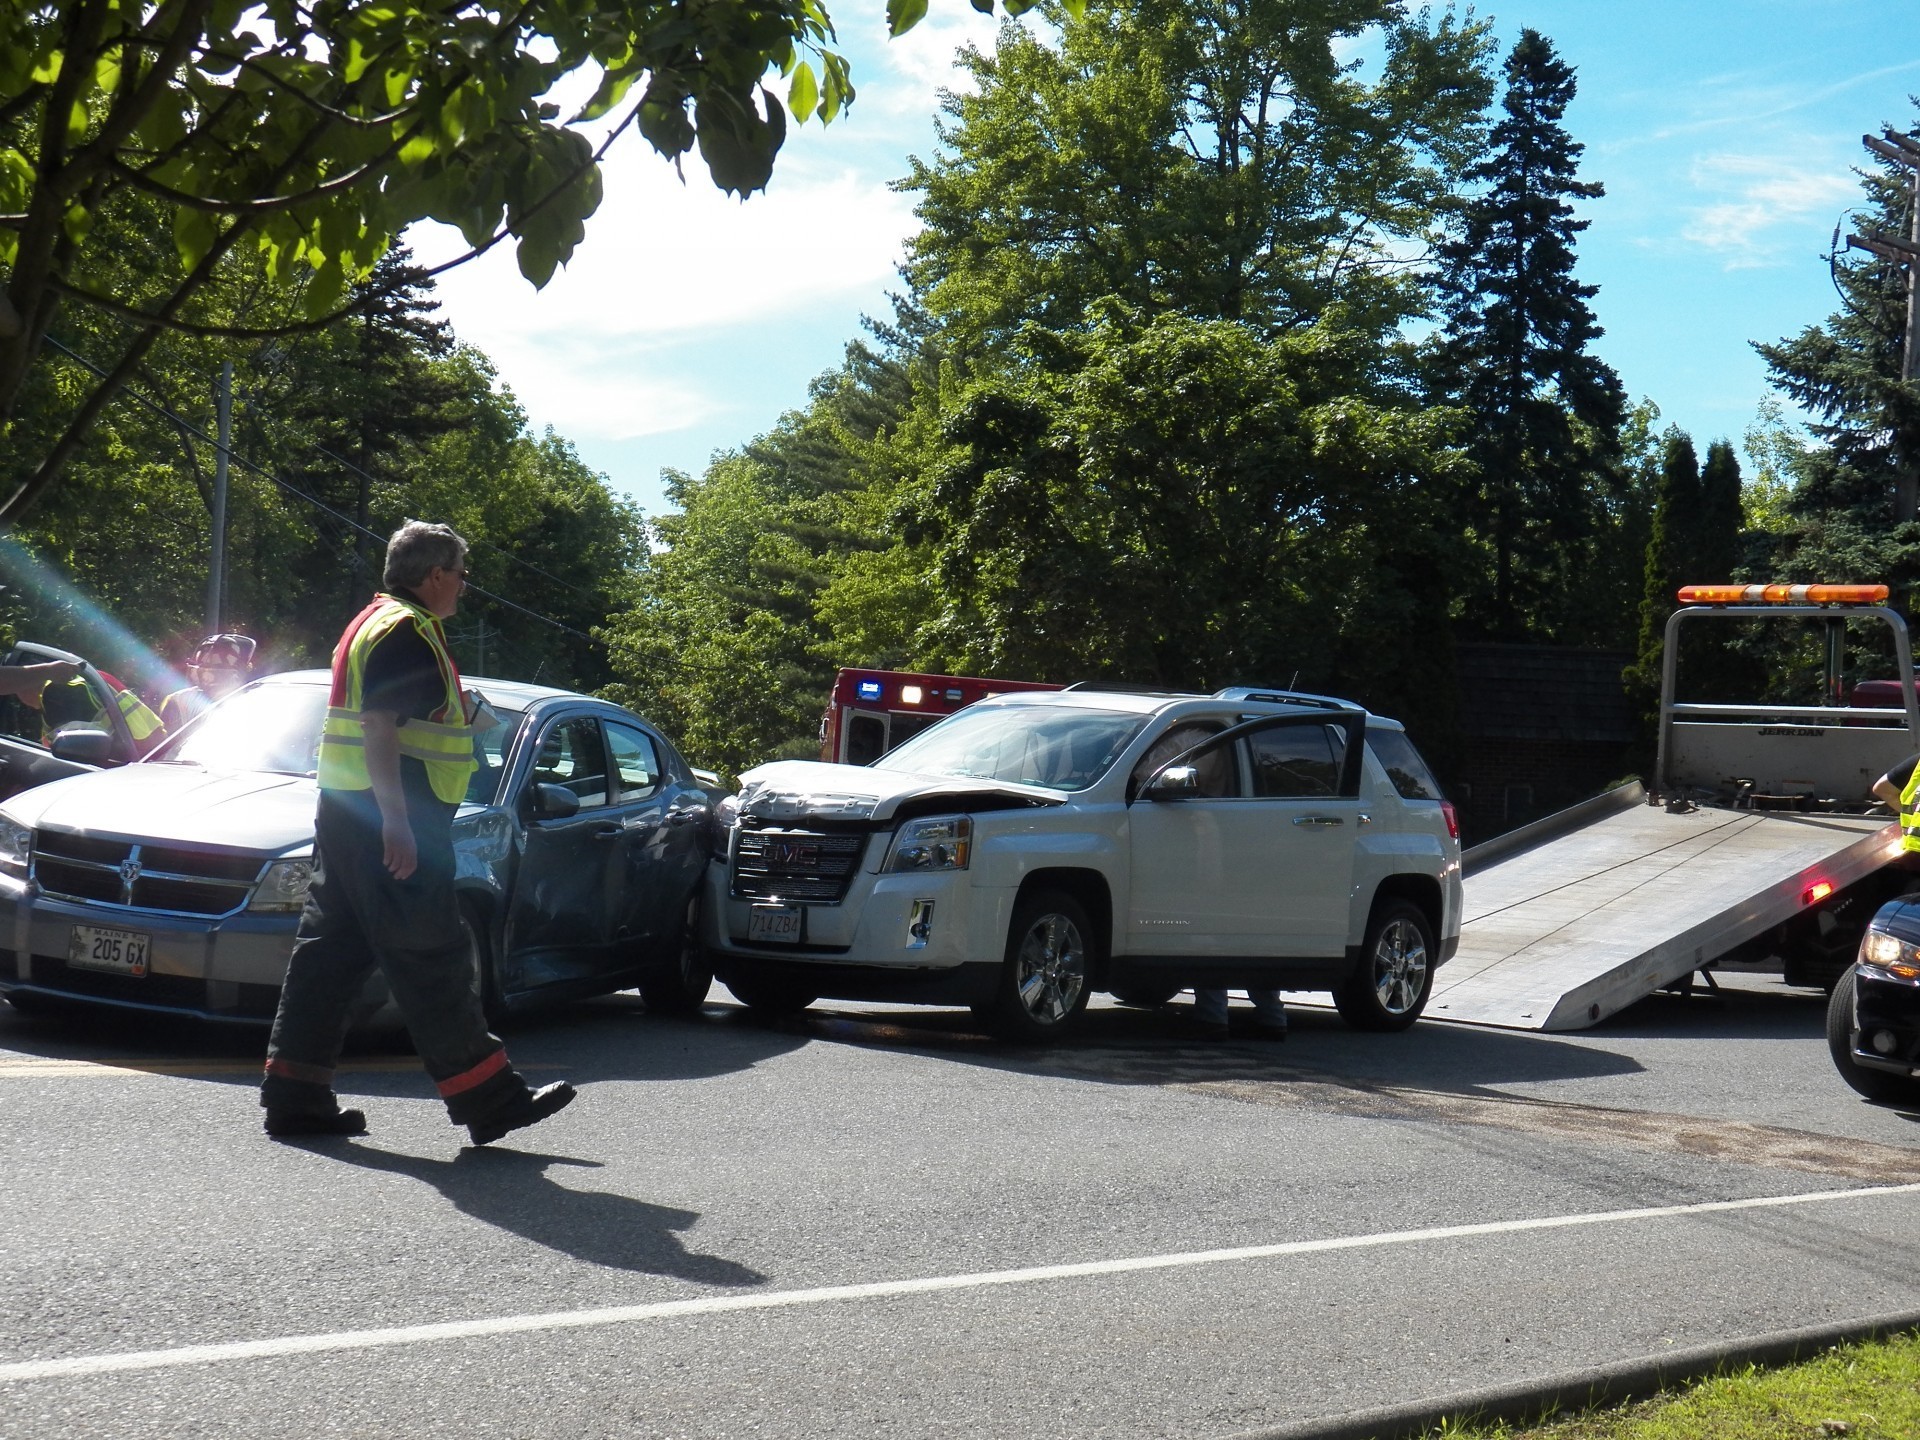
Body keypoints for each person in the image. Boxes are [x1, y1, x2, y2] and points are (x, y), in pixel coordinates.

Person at [260, 521, 575, 1144]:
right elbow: (379, 726)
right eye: (460, 572)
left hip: (349, 813)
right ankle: (489, 1100)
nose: (463, 585)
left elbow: (393, 722)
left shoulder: (373, 621)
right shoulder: (408, 631)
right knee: (432, 955)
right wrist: (399, 824)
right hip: (390, 821)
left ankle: (295, 1096)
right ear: (434, 576)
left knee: (328, 955)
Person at [1128, 718, 1289, 1042]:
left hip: (1204, 833)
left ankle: (1213, 1015)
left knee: (1206, 925)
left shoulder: (1193, 738)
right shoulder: (1233, 739)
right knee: (1248, 929)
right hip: (1248, 836)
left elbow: (1146, 775)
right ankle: (1271, 1014)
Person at [159, 633, 257, 731]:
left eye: (217, 667)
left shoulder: (252, 703)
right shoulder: (178, 701)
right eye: (203, 666)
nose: (208, 675)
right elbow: (166, 743)